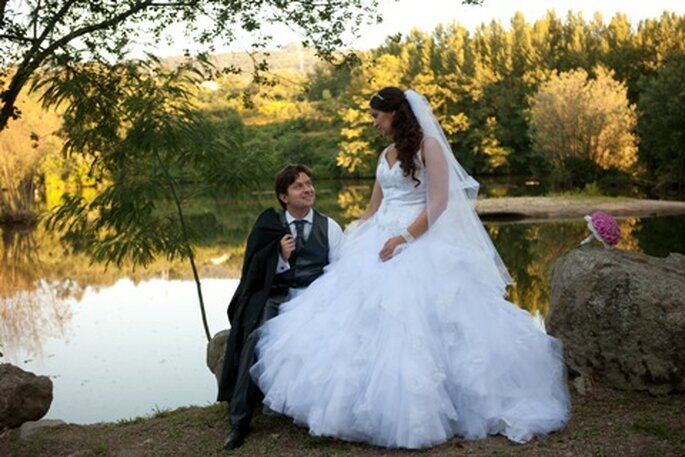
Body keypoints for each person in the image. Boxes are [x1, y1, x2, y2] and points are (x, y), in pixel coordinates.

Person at [250, 87, 570, 449]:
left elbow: (439, 203)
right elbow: (373, 207)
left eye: (376, 116)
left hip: (419, 239)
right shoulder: (385, 153)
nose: (373, 123)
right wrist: (355, 236)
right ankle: (354, 404)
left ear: (395, 114)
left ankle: (431, 409)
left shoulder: (428, 147)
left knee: (416, 319)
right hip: (379, 239)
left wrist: (403, 238)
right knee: (349, 318)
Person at [217, 164, 343, 449]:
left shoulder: (330, 226)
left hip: (315, 297)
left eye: (309, 183)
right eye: (299, 186)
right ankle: (239, 422)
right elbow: (252, 270)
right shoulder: (269, 226)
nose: (308, 189)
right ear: (283, 196)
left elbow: (339, 271)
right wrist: (279, 257)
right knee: (255, 340)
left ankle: (325, 413)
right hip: (278, 296)